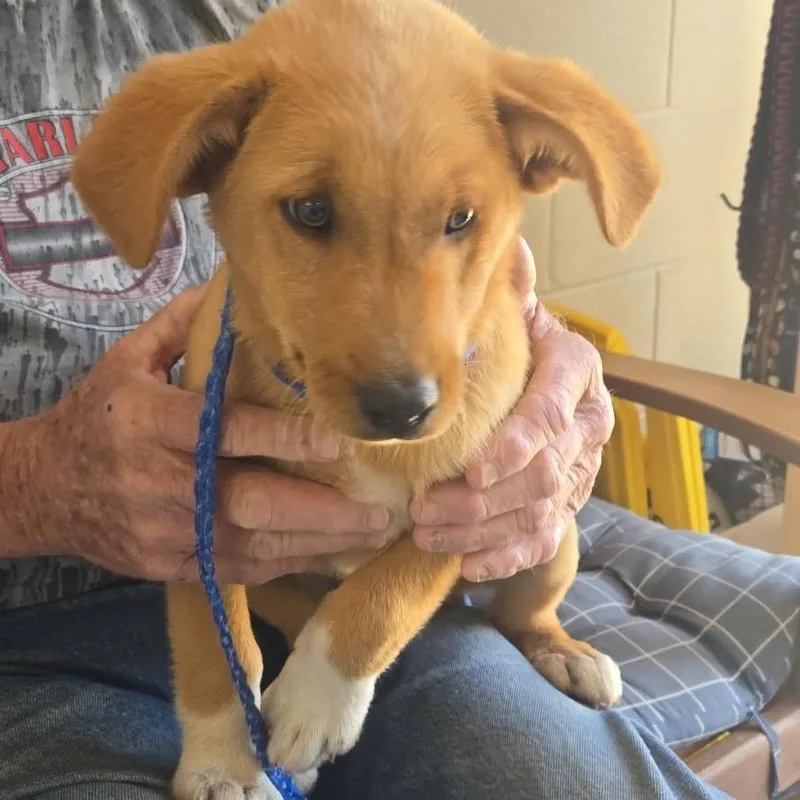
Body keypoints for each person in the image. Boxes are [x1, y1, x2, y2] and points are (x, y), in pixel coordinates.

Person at [0, 2, 728, 798]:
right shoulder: (229, 97)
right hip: (33, 637)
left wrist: (538, 360)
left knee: (557, 779)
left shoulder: (320, 34)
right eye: (313, 213)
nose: (398, 364)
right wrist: (33, 482)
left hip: (393, 610)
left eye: (459, 220)